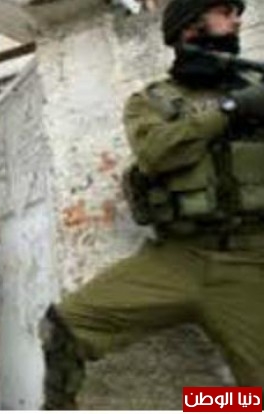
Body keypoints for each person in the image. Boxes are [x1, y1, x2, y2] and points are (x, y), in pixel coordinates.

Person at [40, 0, 264, 409]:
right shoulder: (152, 102)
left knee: (257, 397)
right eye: (225, 11)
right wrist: (231, 110)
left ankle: (203, 404)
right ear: (190, 27)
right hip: (175, 258)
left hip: (250, 262)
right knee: (63, 328)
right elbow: (156, 152)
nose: (236, 19)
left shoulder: (256, 87)